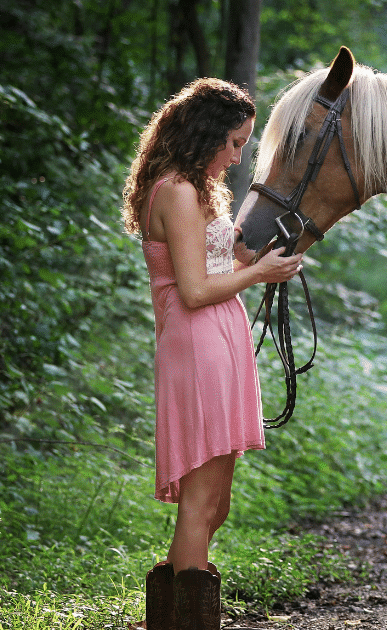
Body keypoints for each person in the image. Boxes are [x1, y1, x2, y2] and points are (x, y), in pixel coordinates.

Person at [121, 78, 302, 630]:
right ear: (205, 136)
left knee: (214, 505)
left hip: (218, 339)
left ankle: (173, 613)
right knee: (200, 506)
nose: (237, 155)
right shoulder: (174, 189)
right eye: (234, 143)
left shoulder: (194, 187)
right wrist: (258, 274)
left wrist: (255, 255)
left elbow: (213, 262)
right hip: (197, 342)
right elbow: (194, 290)